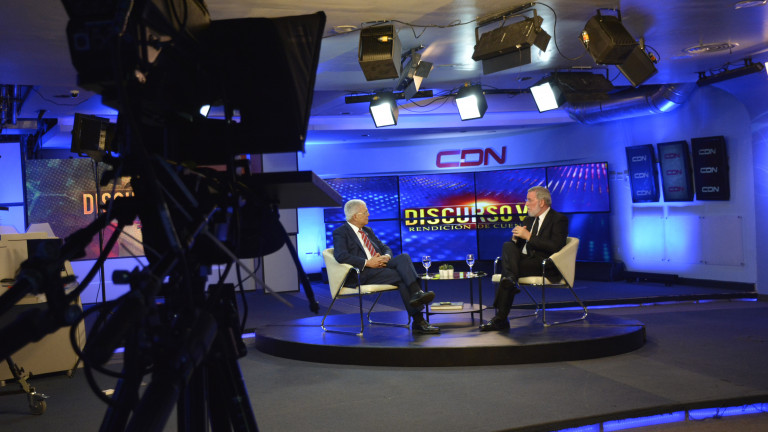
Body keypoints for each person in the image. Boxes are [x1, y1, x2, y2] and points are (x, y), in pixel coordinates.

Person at [333, 199, 440, 334]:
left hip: (379, 265)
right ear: (355, 216)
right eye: (365, 212)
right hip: (363, 272)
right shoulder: (341, 232)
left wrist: (386, 256)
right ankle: (419, 319)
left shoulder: (367, 230)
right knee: (401, 277)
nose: (368, 214)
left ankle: (417, 295)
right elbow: (341, 256)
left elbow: (384, 247)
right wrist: (367, 262)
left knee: (404, 257)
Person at [480, 186, 569, 331]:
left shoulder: (558, 219)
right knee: (508, 245)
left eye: (529, 200)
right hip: (526, 261)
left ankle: (501, 317)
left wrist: (528, 236)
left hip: (544, 263)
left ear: (541, 202)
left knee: (509, 272)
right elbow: (520, 246)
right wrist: (516, 240)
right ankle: (510, 282)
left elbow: (556, 247)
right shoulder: (528, 219)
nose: (526, 204)